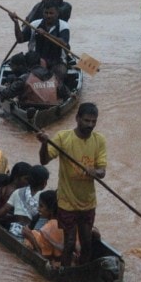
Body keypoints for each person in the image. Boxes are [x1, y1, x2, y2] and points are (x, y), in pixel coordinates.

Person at [37, 102, 107, 267]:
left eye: (93, 121)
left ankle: (83, 269)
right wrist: (44, 143)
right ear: (77, 119)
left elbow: (102, 171)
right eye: (86, 120)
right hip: (67, 201)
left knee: (87, 241)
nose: (89, 125)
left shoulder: (99, 140)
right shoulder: (63, 137)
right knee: (69, 242)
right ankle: (66, 271)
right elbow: (44, 160)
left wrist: (94, 172)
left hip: (87, 201)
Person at [11, 1, 70, 81]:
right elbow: (20, 40)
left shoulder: (63, 26)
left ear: (57, 13)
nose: (48, 16)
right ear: (43, 13)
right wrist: (16, 23)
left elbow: (64, 43)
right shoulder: (34, 24)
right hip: (36, 62)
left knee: (60, 74)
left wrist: (46, 34)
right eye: (46, 13)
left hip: (57, 61)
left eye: (51, 13)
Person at [0, 164, 49, 241]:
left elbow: (1, 212)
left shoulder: (17, 192)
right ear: (44, 183)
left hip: (14, 229)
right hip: (31, 234)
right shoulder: (45, 198)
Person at [0, 50, 70, 106]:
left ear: (26, 64)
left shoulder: (24, 78)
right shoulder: (54, 77)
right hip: (51, 106)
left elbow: (6, 94)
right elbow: (67, 94)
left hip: (30, 107)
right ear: (40, 62)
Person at [0, 161, 32, 226]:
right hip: (3, 221)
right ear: (16, 177)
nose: (28, 182)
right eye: (26, 179)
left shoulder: (1, 186)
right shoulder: (16, 193)